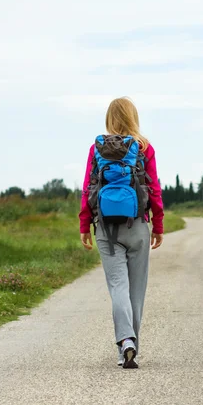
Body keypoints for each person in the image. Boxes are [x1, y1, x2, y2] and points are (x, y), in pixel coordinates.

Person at [79, 97, 164, 369]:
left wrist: (84, 225)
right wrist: (158, 225)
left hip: (106, 228)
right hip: (137, 224)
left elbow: (86, 188)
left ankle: (124, 342)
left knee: (118, 287)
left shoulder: (97, 148)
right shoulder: (144, 147)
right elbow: (154, 191)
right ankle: (132, 347)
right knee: (136, 292)